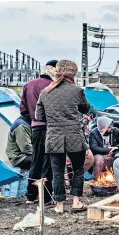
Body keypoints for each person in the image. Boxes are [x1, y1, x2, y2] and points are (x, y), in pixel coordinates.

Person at [35, 60, 91, 213]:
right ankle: (76, 202)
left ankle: (59, 205)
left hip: (53, 136)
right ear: (73, 73)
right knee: (78, 169)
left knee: (57, 171)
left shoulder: (45, 92)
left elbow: (39, 116)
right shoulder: (77, 90)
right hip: (74, 135)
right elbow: (85, 108)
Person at [22, 60, 57, 204]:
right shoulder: (54, 86)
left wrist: (33, 119)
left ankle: (31, 194)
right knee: (48, 161)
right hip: (51, 128)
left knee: (36, 160)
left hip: (35, 127)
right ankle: (46, 197)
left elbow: (23, 110)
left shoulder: (28, 85)